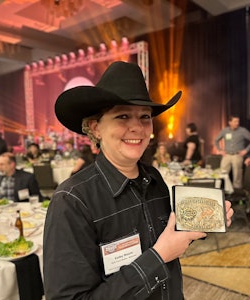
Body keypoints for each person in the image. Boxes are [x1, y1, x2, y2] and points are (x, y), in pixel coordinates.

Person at [43, 61, 233, 299]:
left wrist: (200, 222)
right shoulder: (72, 201)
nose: (138, 127)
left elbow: (166, 240)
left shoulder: (153, 179)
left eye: (145, 117)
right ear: (96, 128)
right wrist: (158, 257)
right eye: (122, 116)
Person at [214, 115, 250, 189]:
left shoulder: (243, 131)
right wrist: (220, 150)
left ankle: (237, 192)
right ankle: (222, 189)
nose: (237, 123)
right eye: (235, 121)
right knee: (222, 173)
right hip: (227, 155)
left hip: (237, 155)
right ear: (230, 122)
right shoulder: (225, 131)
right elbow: (216, 140)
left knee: (237, 175)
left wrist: (246, 150)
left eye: (238, 121)